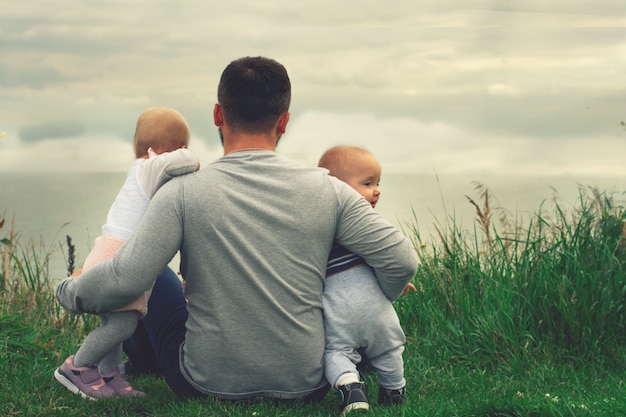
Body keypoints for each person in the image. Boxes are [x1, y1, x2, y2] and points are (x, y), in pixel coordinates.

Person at [55, 56, 418, 407]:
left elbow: (126, 278)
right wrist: (363, 296)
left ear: (218, 114)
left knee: (156, 275)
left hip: (201, 383)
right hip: (307, 383)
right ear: (284, 121)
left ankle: (129, 362)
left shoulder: (182, 191)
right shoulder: (331, 191)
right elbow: (402, 262)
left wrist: (69, 291)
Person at [54, 107, 200, 400]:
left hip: (113, 252)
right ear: (158, 150)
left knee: (116, 321)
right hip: (117, 256)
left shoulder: (143, 173)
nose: (182, 151)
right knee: (123, 323)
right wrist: (186, 155)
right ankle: (77, 368)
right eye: (179, 145)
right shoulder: (147, 168)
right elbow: (188, 160)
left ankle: (109, 374)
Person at [318, 146, 414, 415]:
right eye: (368, 183)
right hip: (377, 313)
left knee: (336, 353)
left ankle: (351, 386)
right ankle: (394, 389)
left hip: (337, 314)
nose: (377, 190)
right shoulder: (366, 227)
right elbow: (384, 262)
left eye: (377, 183)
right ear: (336, 187)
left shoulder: (320, 230)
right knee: (389, 348)